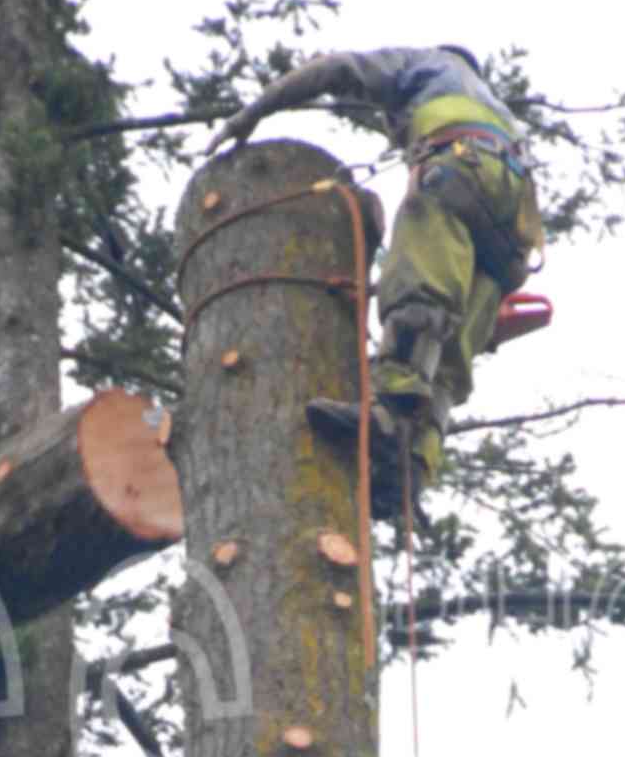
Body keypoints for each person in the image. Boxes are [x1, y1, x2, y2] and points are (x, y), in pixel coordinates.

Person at [203, 43, 544, 504]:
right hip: (514, 228)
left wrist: (252, 113)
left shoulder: (422, 64)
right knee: (451, 350)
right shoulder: (500, 111)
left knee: (419, 286)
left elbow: (335, 68)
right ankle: (414, 465)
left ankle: (389, 413)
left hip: (457, 171)